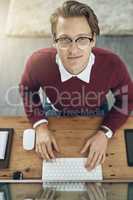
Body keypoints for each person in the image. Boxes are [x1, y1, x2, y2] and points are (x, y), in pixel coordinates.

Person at [19, 0, 133, 170]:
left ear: (93, 39)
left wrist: (105, 133)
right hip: (54, 111)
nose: (73, 50)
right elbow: (27, 90)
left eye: (82, 39)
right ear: (55, 41)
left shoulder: (113, 65)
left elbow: (128, 100)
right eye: (65, 39)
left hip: (97, 111)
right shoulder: (37, 62)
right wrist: (40, 127)